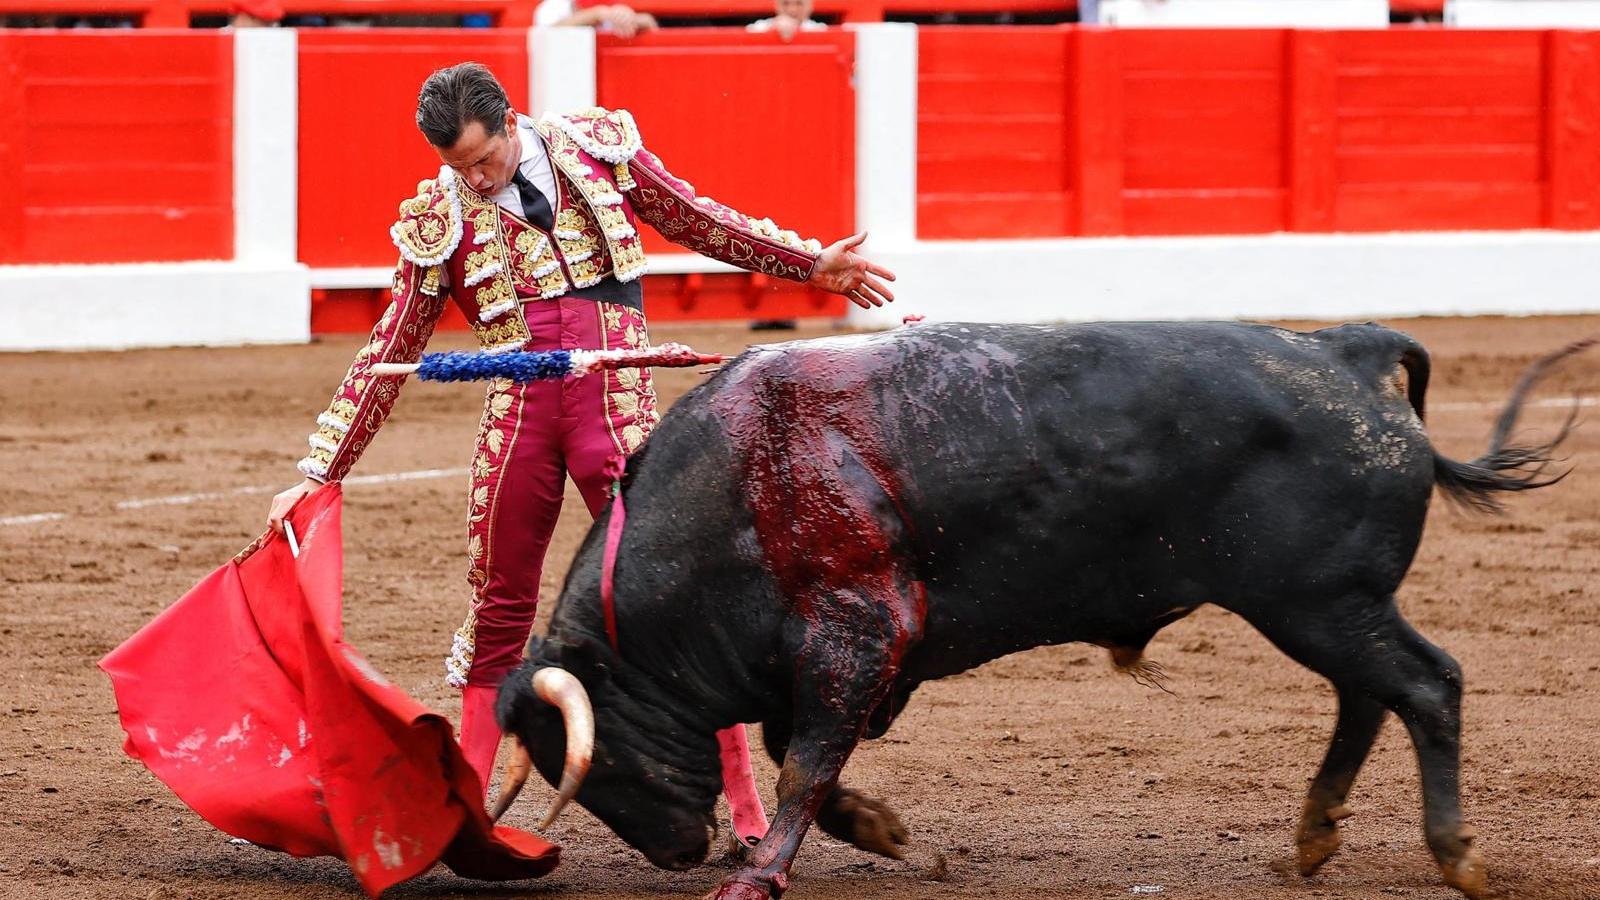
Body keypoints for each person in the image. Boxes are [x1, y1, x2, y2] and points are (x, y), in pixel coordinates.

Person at [265, 62, 894, 839]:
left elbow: (696, 219)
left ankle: (749, 814)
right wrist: (317, 472)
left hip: (616, 403)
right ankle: (463, 811)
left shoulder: (595, 147)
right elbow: (387, 350)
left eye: (483, 160)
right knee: (498, 607)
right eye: (457, 169)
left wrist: (809, 265)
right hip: (518, 413)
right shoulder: (439, 214)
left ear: (510, 124)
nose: (475, 178)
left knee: (678, 601)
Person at [534, 0, 658, 37]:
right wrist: (596, 14)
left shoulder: (612, 8)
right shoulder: (554, 6)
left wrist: (631, 19)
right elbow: (546, 32)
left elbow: (650, 22)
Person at [746, 0, 826, 40]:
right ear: (776, 6)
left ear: (810, 6)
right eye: (785, 3)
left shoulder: (820, 29)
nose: (792, 10)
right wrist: (773, 28)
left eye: (799, 3)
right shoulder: (761, 27)